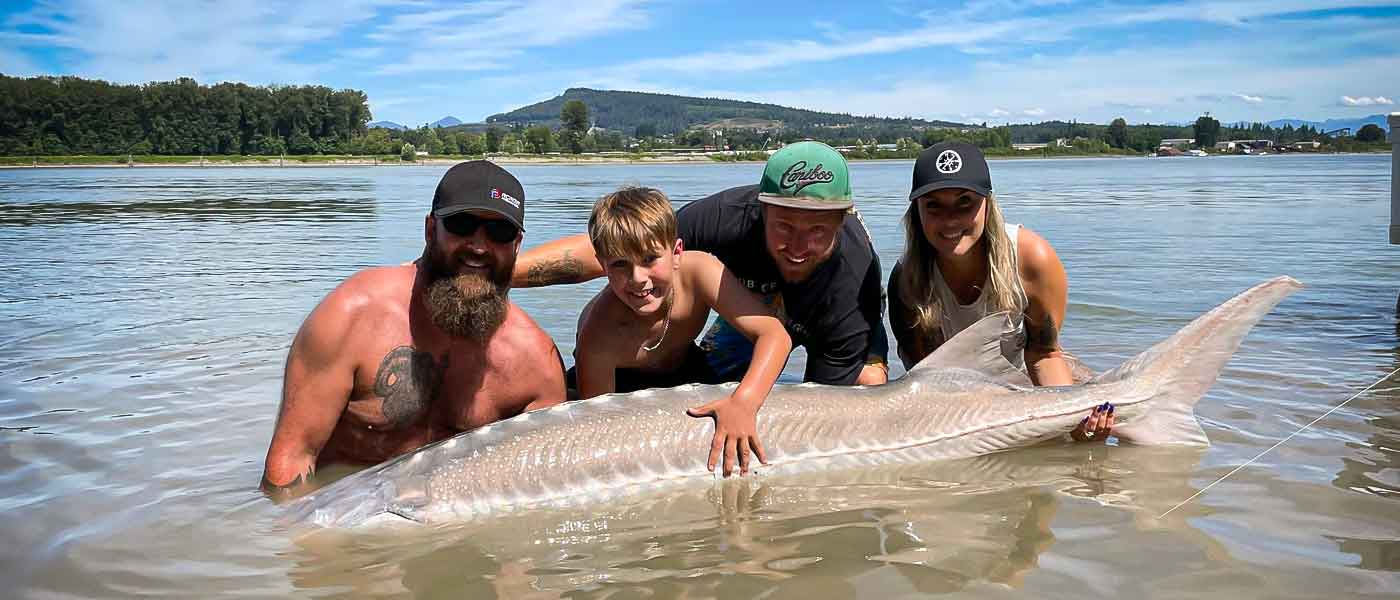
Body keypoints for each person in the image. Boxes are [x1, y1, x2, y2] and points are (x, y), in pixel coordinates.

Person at [261, 161, 566, 496]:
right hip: (345, 518)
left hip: (453, 526)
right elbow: (291, 460)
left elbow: (539, 487)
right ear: (430, 229)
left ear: (518, 244)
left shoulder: (537, 363)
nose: (479, 246)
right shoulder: (352, 315)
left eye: (500, 233)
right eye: (462, 224)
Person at [514, 141, 888, 390]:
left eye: (817, 230)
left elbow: (819, 408)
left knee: (865, 385)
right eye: (784, 226)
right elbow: (631, 243)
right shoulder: (724, 219)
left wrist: (745, 403)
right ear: (761, 211)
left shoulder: (854, 279)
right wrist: (500, 271)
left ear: (843, 221)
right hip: (756, 308)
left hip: (826, 314)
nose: (798, 246)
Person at [887, 141, 1111, 441]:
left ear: (988, 203)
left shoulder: (1033, 258)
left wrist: (1073, 420)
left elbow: (1044, 354)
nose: (950, 219)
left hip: (1028, 379)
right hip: (957, 393)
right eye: (934, 205)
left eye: (964, 202)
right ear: (916, 212)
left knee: (1097, 428)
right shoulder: (906, 281)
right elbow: (926, 379)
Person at [573, 186, 792, 476]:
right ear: (602, 265)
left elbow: (775, 335)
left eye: (650, 259)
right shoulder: (597, 335)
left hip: (687, 365)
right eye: (620, 265)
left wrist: (744, 402)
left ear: (676, 252)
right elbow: (600, 428)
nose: (638, 279)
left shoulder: (699, 270)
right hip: (626, 385)